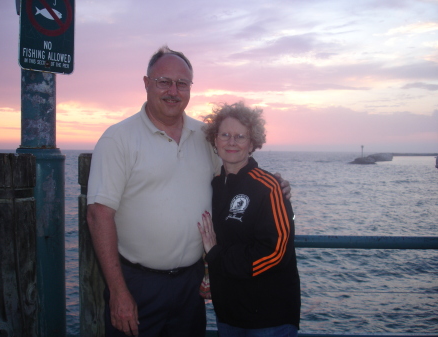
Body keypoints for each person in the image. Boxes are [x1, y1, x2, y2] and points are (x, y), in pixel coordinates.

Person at [87, 46, 291, 337]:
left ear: (190, 88)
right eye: (163, 81)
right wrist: (118, 292)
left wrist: (273, 184)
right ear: (146, 84)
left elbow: (234, 175)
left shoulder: (206, 136)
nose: (173, 90)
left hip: (191, 286)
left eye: (182, 83)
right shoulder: (118, 139)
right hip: (138, 284)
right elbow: (98, 215)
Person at [198, 102, 301, 337]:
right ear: (215, 140)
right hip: (228, 315)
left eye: (240, 136)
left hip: (268, 318)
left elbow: (275, 252)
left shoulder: (269, 187)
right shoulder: (213, 186)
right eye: (225, 134)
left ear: (252, 143)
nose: (231, 142)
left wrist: (216, 257)